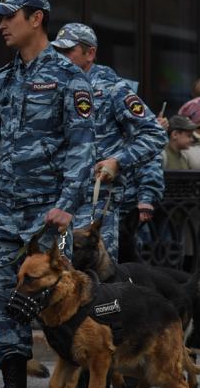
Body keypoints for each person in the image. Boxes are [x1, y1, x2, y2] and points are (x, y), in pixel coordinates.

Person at [0, 0, 94, 388]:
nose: (2, 25)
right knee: (3, 299)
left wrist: (67, 204)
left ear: (36, 18)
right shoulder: (5, 78)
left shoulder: (70, 77)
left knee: (58, 299)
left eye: (9, 16)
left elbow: (82, 148)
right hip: (6, 210)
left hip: (47, 213)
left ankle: (84, 375)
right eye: (0, 17)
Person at [51, 22, 164, 262]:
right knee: (59, 277)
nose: (60, 58)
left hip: (96, 201)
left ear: (90, 53)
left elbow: (154, 133)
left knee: (96, 279)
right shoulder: (55, 89)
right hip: (57, 199)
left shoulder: (114, 89)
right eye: (57, 51)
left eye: (68, 51)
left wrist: (118, 161)